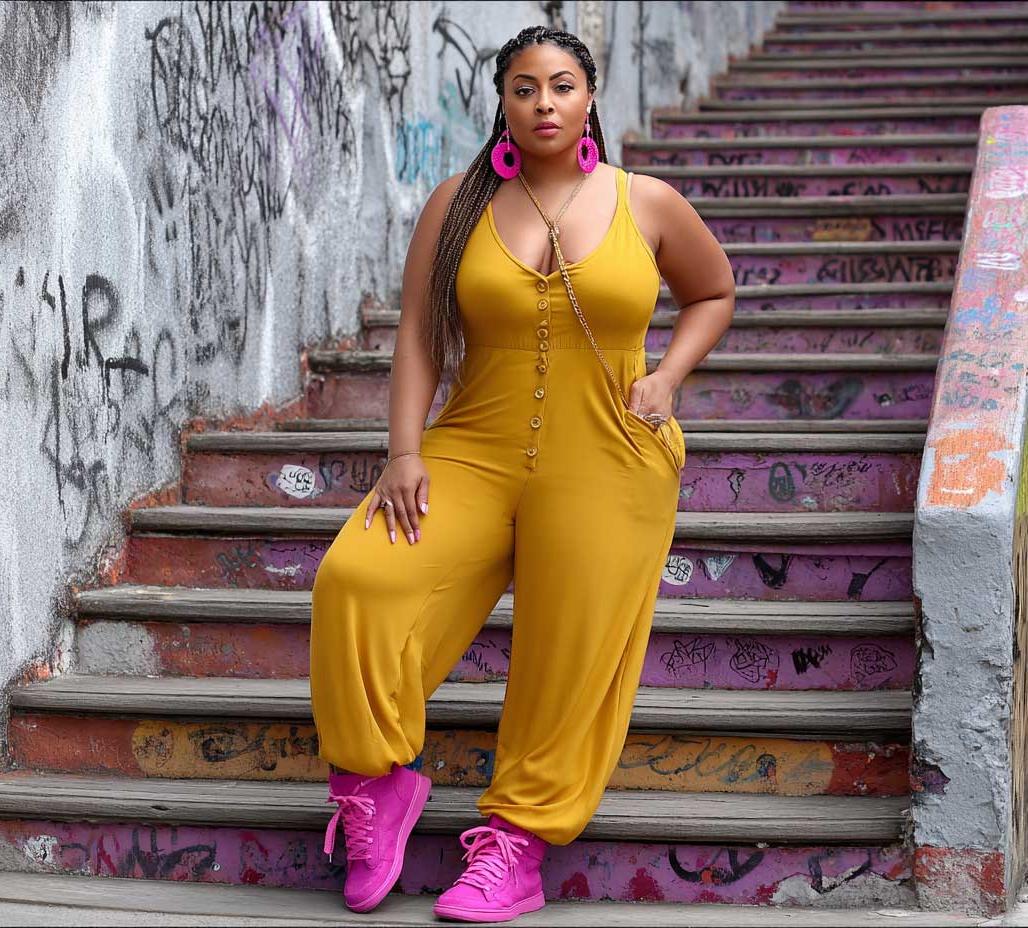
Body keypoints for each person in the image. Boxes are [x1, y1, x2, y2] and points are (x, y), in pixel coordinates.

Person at [308, 23, 735, 924]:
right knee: (359, 578)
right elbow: (422, 336)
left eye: (563, 85)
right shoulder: (457, 204)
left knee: (566, 653)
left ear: (590, 99)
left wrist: (666, 376)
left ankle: (517, 846)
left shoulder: (644, 200)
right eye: (526, 87)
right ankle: (376, 782)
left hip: (611, 455)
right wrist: (404, 450)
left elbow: (714, 291)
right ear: (501, 102)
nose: (545, 102)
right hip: (473, 445)